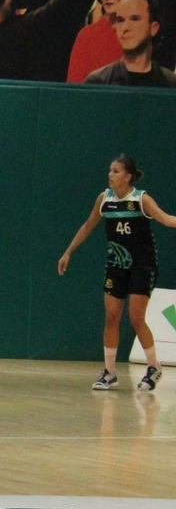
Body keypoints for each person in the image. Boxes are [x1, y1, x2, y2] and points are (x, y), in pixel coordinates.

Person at [58, 155, 176, 391]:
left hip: (142, 264)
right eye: (110, 171)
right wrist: (68, 251)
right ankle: (110, 372)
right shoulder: (104, 199)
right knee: (111, 317)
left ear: (128, 176)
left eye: (115, 171)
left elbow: (166, 219)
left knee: (135, 318)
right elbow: (87, 226)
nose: (110, 175)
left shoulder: (141, 199)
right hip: (116, 264)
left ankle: (154, 367)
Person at [83, 0, 176, 86]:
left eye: (135, 19)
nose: (125, 27)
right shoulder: (98, 81)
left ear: (153, 28)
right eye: (120, 20)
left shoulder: (170, 83)